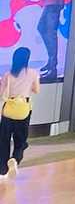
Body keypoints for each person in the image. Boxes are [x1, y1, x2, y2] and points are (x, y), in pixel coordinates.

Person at [0, 47, 41, 179]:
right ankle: (15, 158)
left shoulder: (7, 74)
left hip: (8, 110)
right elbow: (37, 90)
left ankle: (2, 171)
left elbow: (1, 93)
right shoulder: (33, 73)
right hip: (23, 109)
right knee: (21, 140)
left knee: (4, 140)